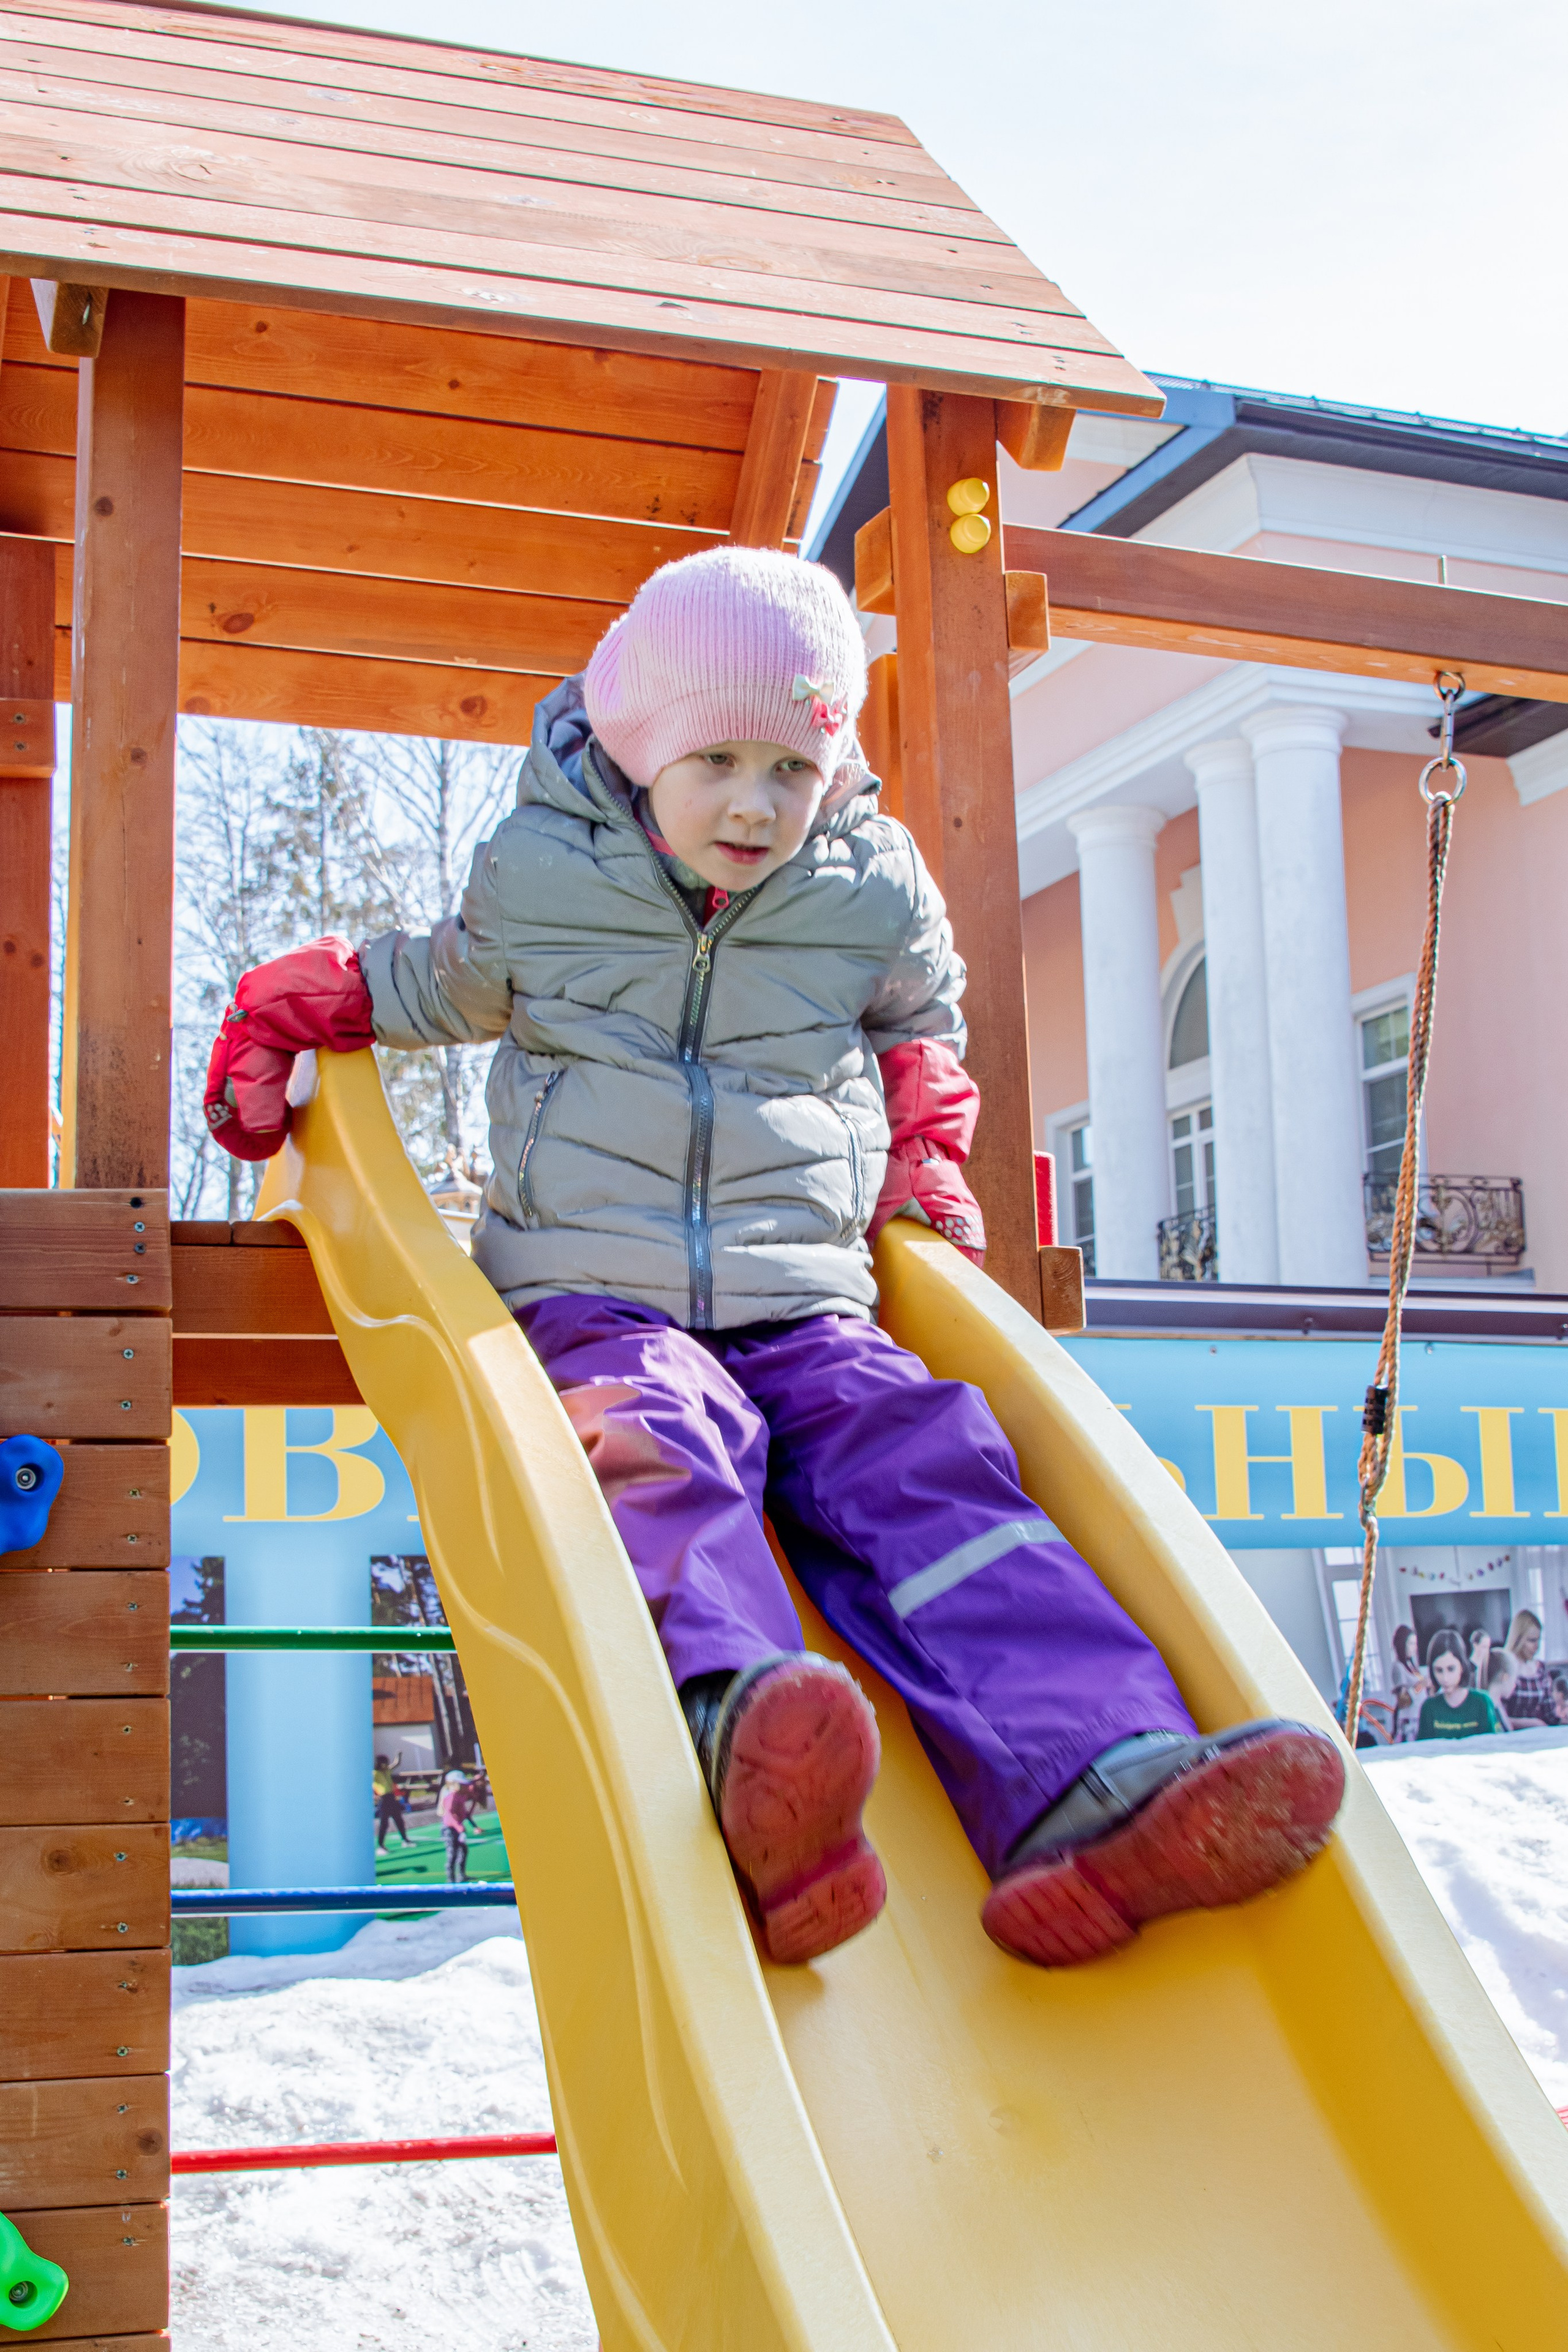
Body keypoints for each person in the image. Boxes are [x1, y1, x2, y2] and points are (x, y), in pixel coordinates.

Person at [201, 546, 1345, 1971]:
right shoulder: (546, 877)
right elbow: (427, 982)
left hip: (805, 1296)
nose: (753, 804)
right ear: (641, 747)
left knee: (929, 1461)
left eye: (789, 769)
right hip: (594, 1290)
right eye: (717, 762)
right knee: (657, 1451)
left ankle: (1098, 1778)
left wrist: (924, 1157)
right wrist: (279, 1020)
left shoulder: (865, 885)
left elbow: (918, 1025)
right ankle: (748, 1747)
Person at [1415, 1629, 1505, 1741]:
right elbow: (1423, 1748)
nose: (1445, 1678)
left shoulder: (1482, 1702)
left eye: (1451, 1669)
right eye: (1439, 1670)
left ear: (1462, 1666)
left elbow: (1494, 1745)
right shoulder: (1429, 1708)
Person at [1500, 1608, 1552, 1725]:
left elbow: (1550, 1713)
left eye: (1539, 1640)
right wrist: (1533, 1724)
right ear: (1518, 1639)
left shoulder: (1541, 1669)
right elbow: (1496, 1715)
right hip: (1511, 1734)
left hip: (1540, 1733)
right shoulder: (1503, 1667)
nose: (1537, 1646)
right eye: (1532, 1641)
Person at [1389, 1624, 1427, 1743]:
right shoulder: (1398, 1667)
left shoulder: (1411, 1665)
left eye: (1415, 1644)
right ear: (1402, 1644)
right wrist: (1421, 1685)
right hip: (1409, 1720)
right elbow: (1402, 1701)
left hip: (1419, 1716)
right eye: (1411, 1644)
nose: (1414, 1648)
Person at [437, 1766, 476, 1882]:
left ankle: (462, 1875)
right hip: (449, 1829)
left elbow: (463, 1812)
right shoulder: (451, 1796)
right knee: (452, 1854)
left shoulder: (461, 1795)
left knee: (463, 1851)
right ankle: (451, 1880)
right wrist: (460, 1829)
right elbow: (449, 1815)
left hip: (457, 1829)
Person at [373, 1752, 412, 1849]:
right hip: (384, 1799)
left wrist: (399, 1756)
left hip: (392, 1798)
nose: (386, 1765)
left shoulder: (387, 1770)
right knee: (384, 1823)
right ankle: (381, 1845)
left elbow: (396, 1764)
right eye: (384, 1763)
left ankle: (405, 1840)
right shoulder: (375, 1774)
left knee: (399, 1820)